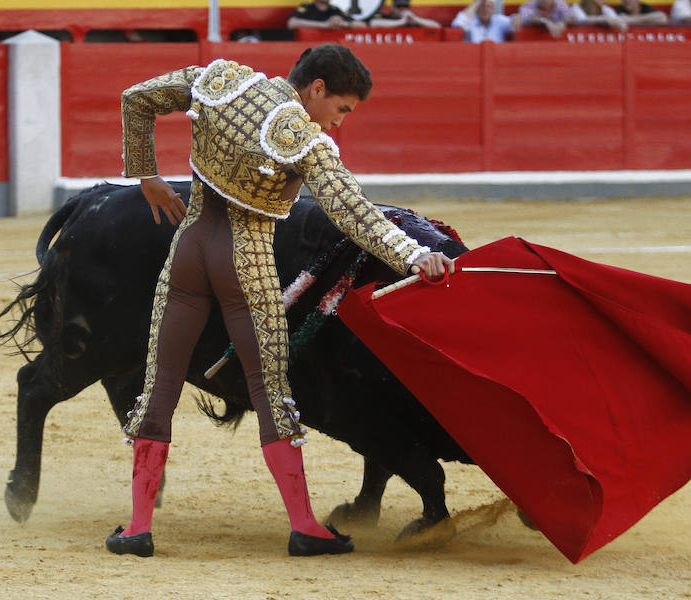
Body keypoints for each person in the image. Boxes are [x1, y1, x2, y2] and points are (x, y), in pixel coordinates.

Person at [105, 44, 455, 558]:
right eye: (341, 110)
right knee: (270, 390)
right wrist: (414, 255)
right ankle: (305, 527)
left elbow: (135, 98)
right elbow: (353, 214)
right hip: (244, 262)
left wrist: (148, 177)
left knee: (159, 387)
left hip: (187, 253)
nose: (337, 124)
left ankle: (136, 529)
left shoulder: (221, 80)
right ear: (317, 88)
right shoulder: (305, 140)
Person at [287, 0, 366, 30]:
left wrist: (343, 24)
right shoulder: (307, 7)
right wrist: (325, 25)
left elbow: (362, 25)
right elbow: (292, 23)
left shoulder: (335, 10)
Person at [369, 0, 442, 29]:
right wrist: (401, 22)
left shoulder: (412, 20)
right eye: (399, 7)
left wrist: (415, 19)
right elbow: (373, 24)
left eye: (405, 7)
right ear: (393, 8)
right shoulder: (387, 17)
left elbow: (436, 26)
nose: (402, 9)